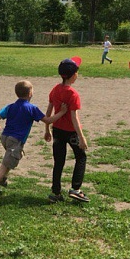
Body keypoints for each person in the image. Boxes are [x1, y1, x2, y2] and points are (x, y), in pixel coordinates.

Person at [0, 81, 66, 203]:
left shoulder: (11, 106)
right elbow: (48, 120)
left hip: (5, 138)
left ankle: (3, 178)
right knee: (4, 166)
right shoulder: (32, 108)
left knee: (15, 156)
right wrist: (62, 112)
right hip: (15, 141)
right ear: (30, 93)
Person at [45, 56, 90, 203]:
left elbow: (48, 112)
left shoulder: (55, 90)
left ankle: (55, 192)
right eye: (77, 72)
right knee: (81, 157)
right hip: (71, 132)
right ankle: (76, 189)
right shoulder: (73, 94)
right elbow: (74, 118)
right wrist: (82, 138)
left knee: (59, 161)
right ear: (74, 75)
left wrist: (47, 129)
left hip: (57, 129)